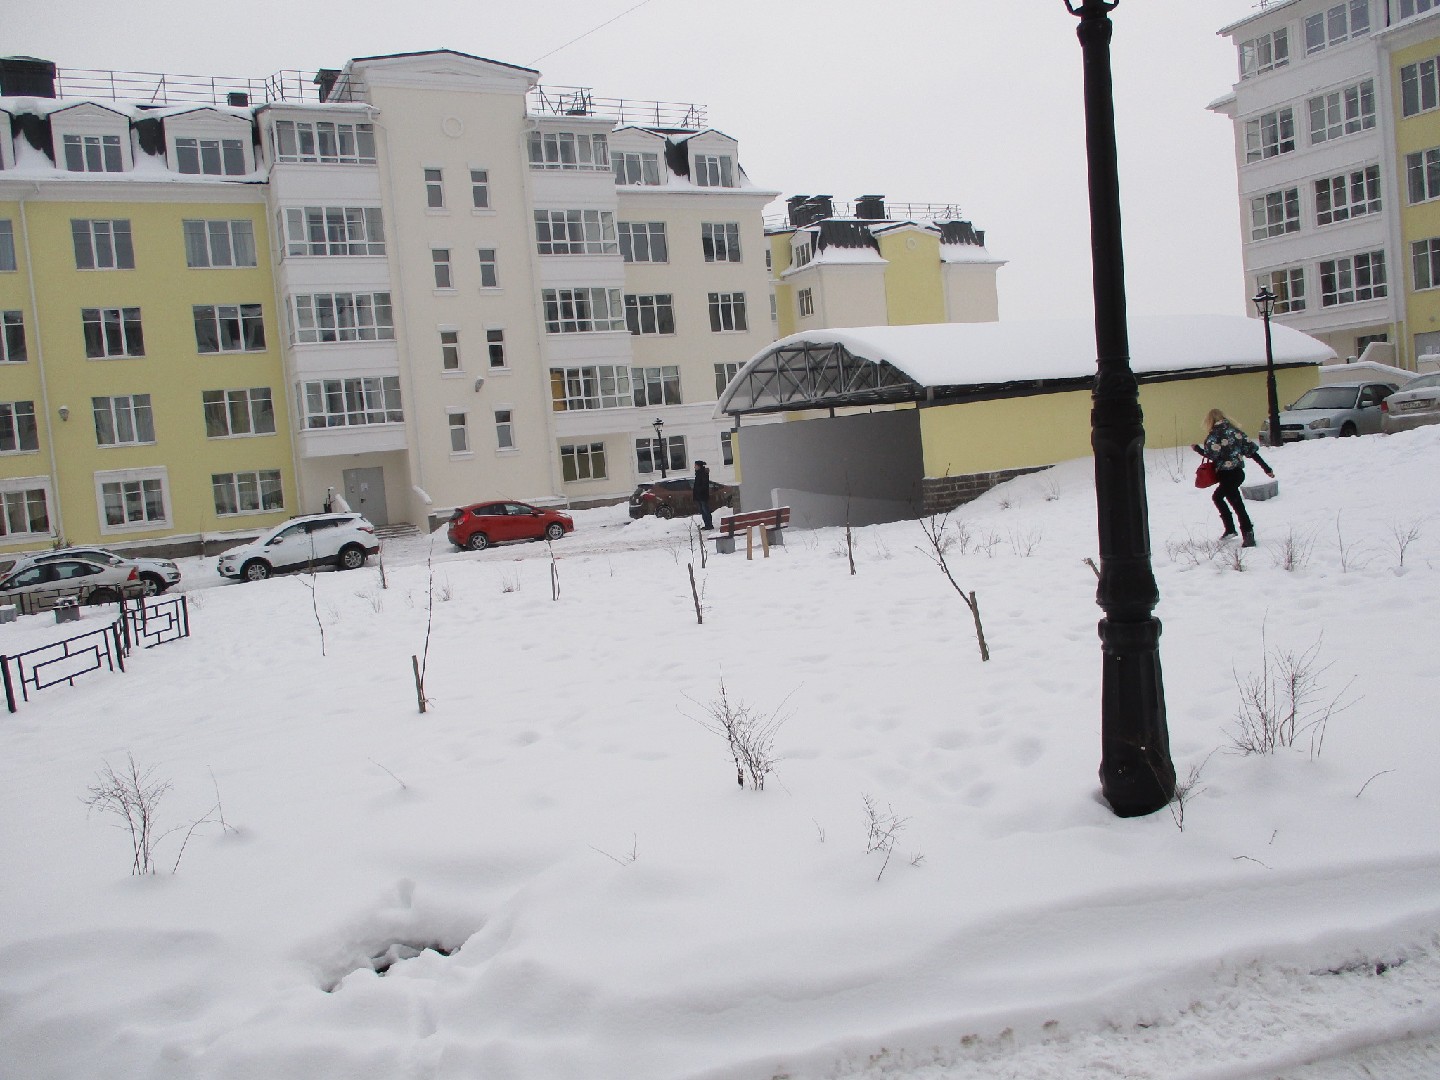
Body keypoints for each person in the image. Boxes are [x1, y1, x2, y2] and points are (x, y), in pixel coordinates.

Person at [1192, 408, 1274, 548]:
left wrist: (1197, 449)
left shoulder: (1213, 436)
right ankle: (1232, 530)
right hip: (1238, 474)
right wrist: (1267, 469)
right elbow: (1252, 452)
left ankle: (1245, 534)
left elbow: (1211, 455)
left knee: (1234, 504)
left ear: (1210, 421)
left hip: (1226, 475)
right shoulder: (1236, 433)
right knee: (1222, 498)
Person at [693, 460, 713, 530]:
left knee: (705, 510)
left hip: (703, 496)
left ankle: (709, 524)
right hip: (699, 496)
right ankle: (707, 524)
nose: (694, 467)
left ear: (698, 466)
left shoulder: (703, 474)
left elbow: (704, 485)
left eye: (695, 465)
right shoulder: (698, 474)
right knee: (703, 511)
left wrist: (699, 491)